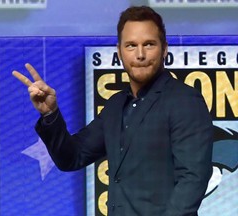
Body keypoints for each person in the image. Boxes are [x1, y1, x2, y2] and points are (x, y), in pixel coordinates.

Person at [12, 6, 213, 216]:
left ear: (164, 49)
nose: (140, 54)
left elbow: (193, 179)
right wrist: (50, 114)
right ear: (119, 52)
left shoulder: (184, 100)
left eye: (149, 44)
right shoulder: (115, 105)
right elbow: (72, 157)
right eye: (131, 45)